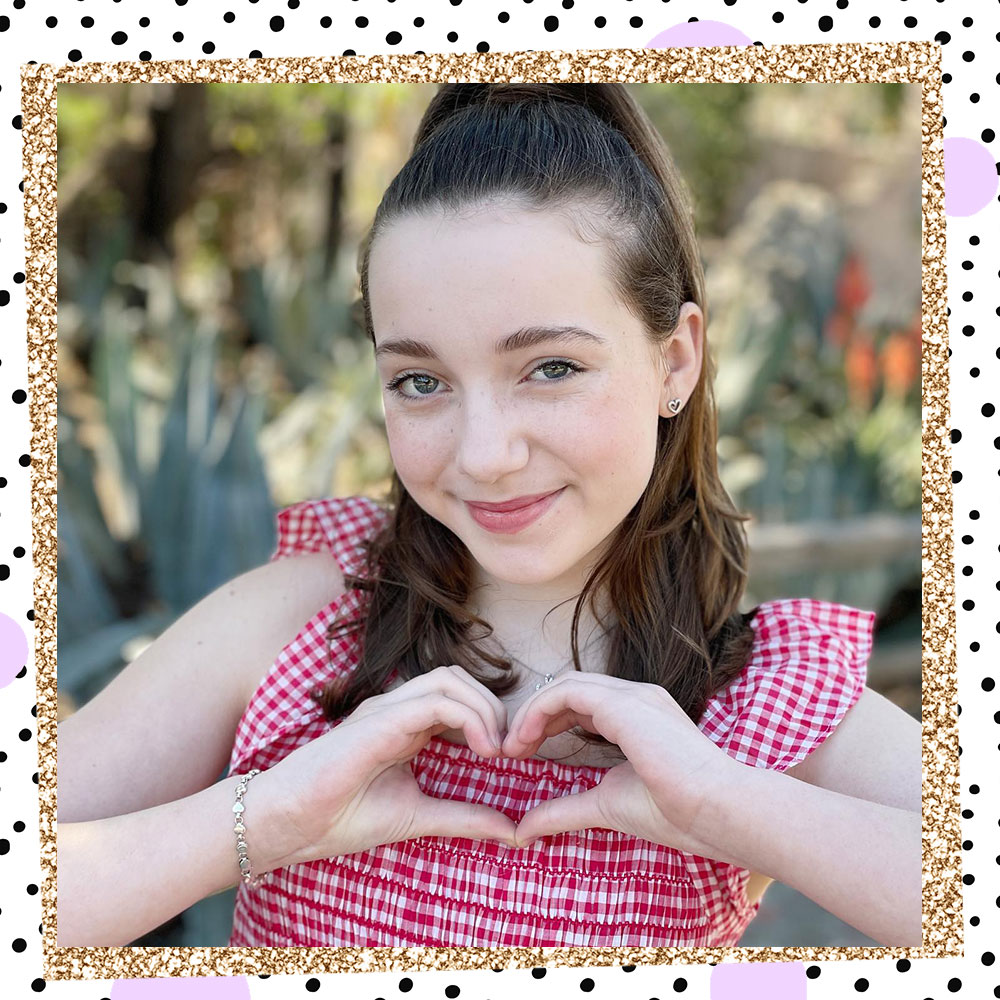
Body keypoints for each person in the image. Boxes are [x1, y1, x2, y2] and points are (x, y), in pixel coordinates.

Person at [56, 83, 922, 949]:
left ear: (676, 359)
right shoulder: (306, 621)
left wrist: (725, 803)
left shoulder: (761, 697)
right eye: (420, 382)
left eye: (550, 368)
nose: (483, 455)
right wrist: (266, 820)